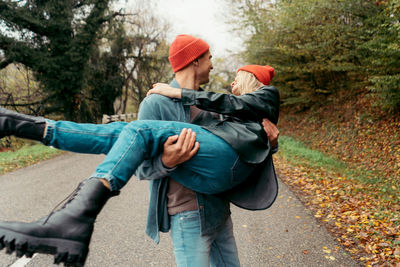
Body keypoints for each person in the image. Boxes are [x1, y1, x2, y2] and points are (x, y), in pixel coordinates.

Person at [0, 35, 279, 267]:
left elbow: (240, 148)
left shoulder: (210, 102)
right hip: (187, 215)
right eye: (208, 58)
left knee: (125, 132)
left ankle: (25, 131)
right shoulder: (155, 103)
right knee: (127, 133)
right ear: (194, 60)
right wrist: (167, 161)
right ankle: (29, 128)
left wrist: (270, 141)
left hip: (219, 209)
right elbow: (143, 168)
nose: (213, 65)